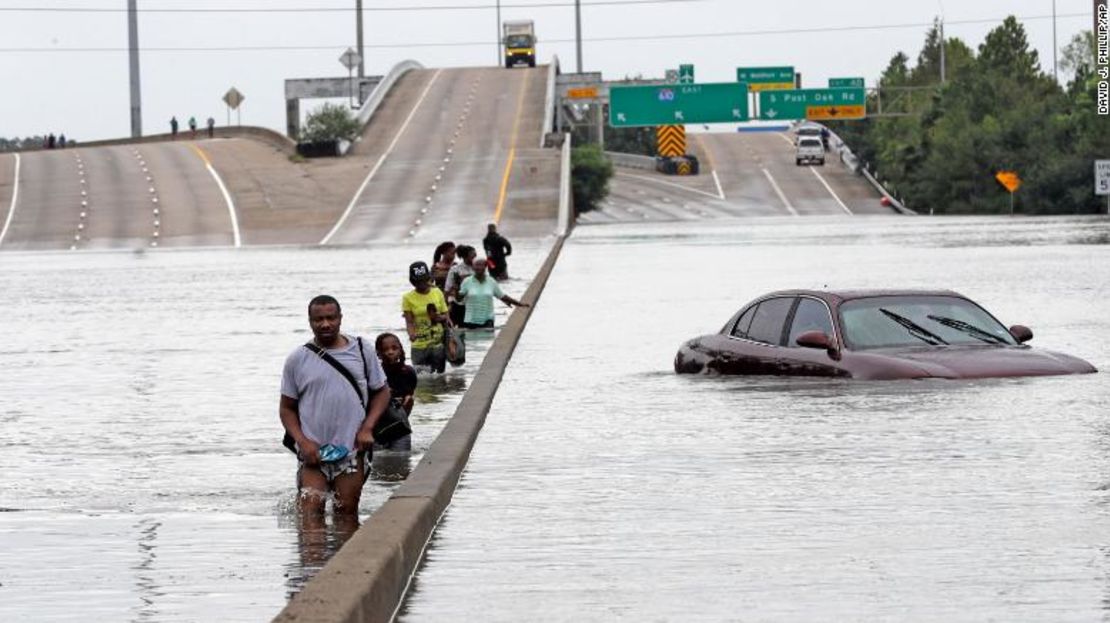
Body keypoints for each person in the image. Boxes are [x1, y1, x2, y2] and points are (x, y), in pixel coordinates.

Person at [279, 295, 391, 516]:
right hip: (313, 455)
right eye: (318, 319)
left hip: (352, 452)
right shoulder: (297, 359)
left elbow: (382, 392)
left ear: (340, 318)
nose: (325, 324)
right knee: (310, 515)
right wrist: (302, 441)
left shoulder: (361, 349)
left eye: (331, 318)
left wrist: (368, 428)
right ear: (310, 321)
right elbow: (286, 408)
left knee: (347, 513)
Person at [402, 261, 450, 373]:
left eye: (424, 280)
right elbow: (409, 322)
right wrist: (411, 334)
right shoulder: (407, 298)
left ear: (428, 277)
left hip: (438, 344)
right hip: (419, 345)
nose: (422, 284)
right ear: (413, 282)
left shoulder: (437, 292)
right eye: (418, 281)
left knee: (439, 378)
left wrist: (440, 318)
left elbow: (446, 316)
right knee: (422, 381)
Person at [456, 256, 529, 329]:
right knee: (472, 339)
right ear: (473, 267)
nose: (479, 267)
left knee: (488, 339)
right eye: (477, 265)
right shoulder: (467, 281)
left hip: (488, 319)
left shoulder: (491, 281)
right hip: (471, 320)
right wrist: (456, 288)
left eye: (482, 265)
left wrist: (519, 304)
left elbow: (502, 296)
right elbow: (459, 299)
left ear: (485, 267)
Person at [373, 333, 417, 452]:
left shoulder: (409, 373)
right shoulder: (375, 375)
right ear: (378, 353)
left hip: (400, 426)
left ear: (401, 349)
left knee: (401, 460)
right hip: (377, 428)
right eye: (385, 349)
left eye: (394, 348)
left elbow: (408, 401)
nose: (390, 352)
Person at [444, 244, 476, 325]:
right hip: (460, 306)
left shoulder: (479, 268)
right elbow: (447, 289)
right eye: (473, 256)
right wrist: (445, 308)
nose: (475, 258)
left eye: (476, 256)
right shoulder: (455, 269)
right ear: (465, 257)